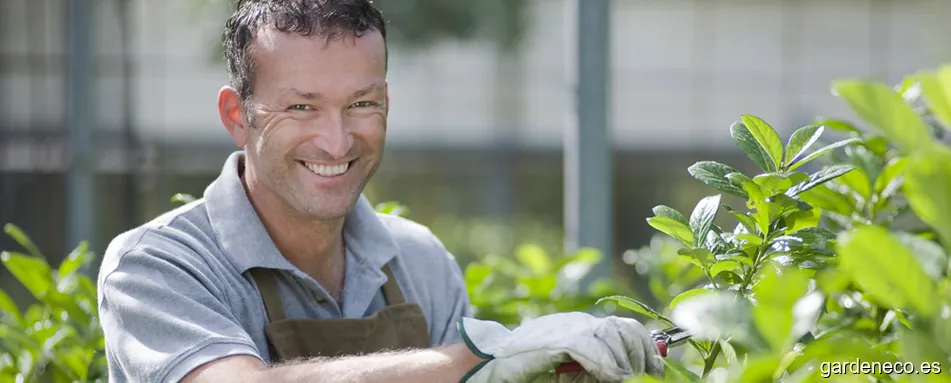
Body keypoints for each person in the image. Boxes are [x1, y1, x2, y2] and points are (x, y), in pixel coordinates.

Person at [96, 1, 665, 382]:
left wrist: (556, 365)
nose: (336, 140)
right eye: (302, 107)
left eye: (361, 104)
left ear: (386, 103)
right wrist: (482, 355)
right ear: (237, 115)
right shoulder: (155, 265)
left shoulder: (419, 261)